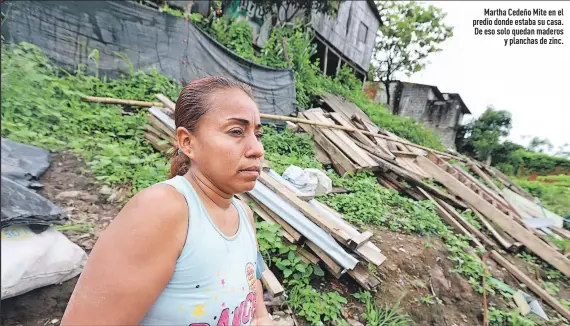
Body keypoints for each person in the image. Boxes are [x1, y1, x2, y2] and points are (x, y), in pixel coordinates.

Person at [61, 76, 273, 326]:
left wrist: (262, 317)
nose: (257, 149)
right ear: (187, 142)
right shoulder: (164, 210)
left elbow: (255, 300)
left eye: (257, 134)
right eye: (236, 131)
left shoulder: (243, 214)